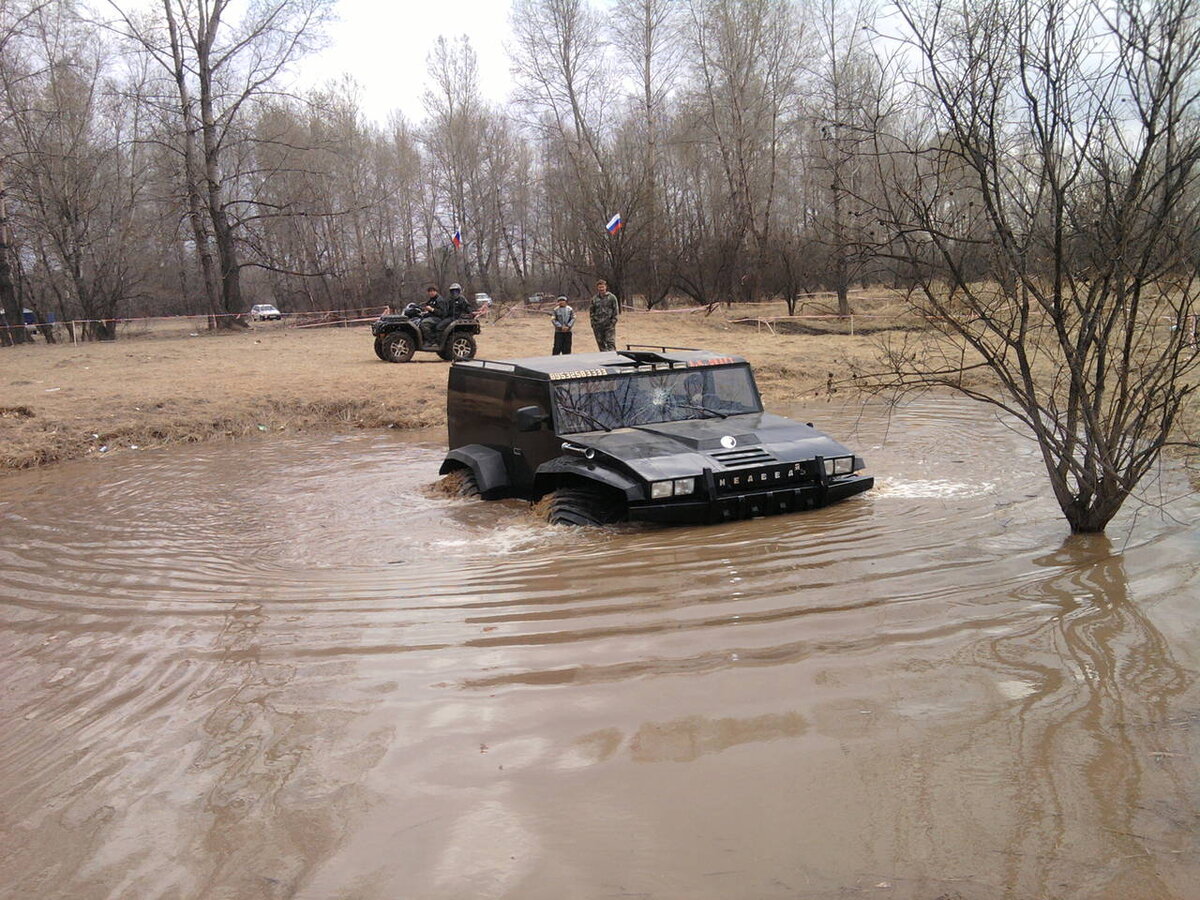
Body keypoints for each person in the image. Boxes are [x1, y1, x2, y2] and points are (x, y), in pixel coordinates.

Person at [589, 278, 619, 351]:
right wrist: (593, 323)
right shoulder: (594, 299)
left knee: (610, 343)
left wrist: (613, 322)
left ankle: (613, 359)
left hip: (609, 325)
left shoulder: (612, 297)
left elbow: (615, 311)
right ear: (597, 288)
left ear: (606, 287)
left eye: (603, 287)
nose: (601, 289)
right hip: (598, 326)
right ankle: (604, 360)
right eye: (599, 287)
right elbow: (591, 312)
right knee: (601, 344)